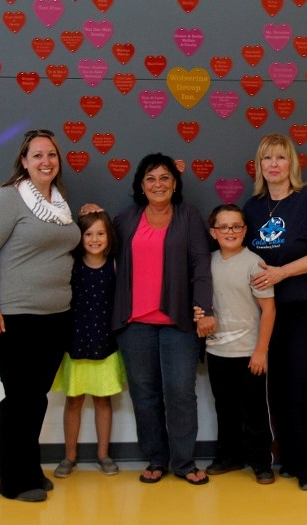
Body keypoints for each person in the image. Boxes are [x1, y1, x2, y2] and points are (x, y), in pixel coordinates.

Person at [0, 129, 80, 502]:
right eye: (37, 156)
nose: (45, 161)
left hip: (55, 317)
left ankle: (29, 469)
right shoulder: (9, 199)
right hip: (12, 316)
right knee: (20, 398)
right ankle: (14, 482)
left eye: (51, 155)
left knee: (35, 397)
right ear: (24, 160)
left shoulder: (59, 203)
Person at [242, 133, 307, 491]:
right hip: (270, 308)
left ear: (292, 164)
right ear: (259, 166)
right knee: (277, 383)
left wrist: (283, 272)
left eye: (280, 158)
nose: (273, 165)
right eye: (266, 159)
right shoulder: (252, 208)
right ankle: (288, 456)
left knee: (301, 379)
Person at [112, 153, 215, 485]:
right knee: (144, 392)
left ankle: (184, 462)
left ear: (175, 183)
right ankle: (156, 459)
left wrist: (204, 310)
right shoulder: (126, 219)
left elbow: (201, 267)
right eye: (151, 179)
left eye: (164, 178)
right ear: (141, 185)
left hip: (179, 322)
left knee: (180, 392)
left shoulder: (189, 216)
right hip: (134, 323)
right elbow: (96, 244)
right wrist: (89, 214)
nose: (158, 184)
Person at [196, 204, 277, 484]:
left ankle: (260, 461)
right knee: (225, 407)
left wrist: (261, 351)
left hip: (249, 353)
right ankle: (229, 456)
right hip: (217, 351)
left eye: (236, 226)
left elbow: (269, 309)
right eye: (223, 227)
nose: (230, 232)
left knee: (253, 409)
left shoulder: (254, 263)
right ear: (213, 232)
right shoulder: (206, 263)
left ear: (244, 230)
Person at [51, 210, 127, 479]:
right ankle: (69, 456)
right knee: (73, 401)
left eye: (100, 233)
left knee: (103, 401)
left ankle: (103, 454)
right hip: (76, 344)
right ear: (79, 237)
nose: (95, 239)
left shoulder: (115, 265)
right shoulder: (71, 264)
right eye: (88, 234)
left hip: (105, 345)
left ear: (109, 236)